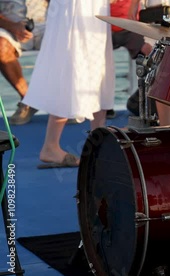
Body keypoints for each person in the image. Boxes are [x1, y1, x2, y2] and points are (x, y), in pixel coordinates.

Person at [22, 0, 115, 168]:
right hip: (75, 7)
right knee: (71, 66)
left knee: (99, 65)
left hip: (93, 7)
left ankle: (97, 143)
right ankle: (51, 146)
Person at [0, 0, 38, 125]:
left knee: (72, 43)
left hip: (48, 24)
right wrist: (13, 26)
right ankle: (29, 101)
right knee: (0, 46)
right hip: (8, 26)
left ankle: (67, 102)